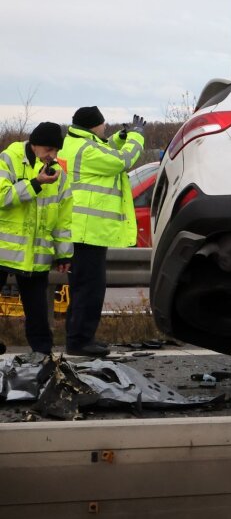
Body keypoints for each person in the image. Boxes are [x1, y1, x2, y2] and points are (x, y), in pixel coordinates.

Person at [58, 106, 145, 357]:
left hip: (81, 231)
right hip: (88, 232)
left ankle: (78, 338)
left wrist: (121, 137)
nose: (105, 127)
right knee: (89, 289)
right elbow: (121, 161)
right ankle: (80, 342)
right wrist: (137, 136)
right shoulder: (87, 150)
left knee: (82, 288)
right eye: (103, 124)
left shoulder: (76, 143)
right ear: (92, 126)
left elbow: (105, 149)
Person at [0, 122, 74, 358]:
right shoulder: (9, 159)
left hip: (36, 253)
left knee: (37, 309)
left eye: (55, 151)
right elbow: (2, 197)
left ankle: (42, 354)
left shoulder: (58, 175)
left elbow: (64, 218)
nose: (52, 155)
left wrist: (64, 253)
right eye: (48, 149)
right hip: (3, 247)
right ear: (33, 145)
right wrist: (35, 184)